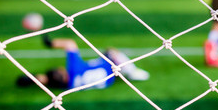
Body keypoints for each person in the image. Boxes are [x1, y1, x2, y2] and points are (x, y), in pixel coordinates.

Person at [17, 37, 149, 89]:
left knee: (95, 61)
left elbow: (48, 78)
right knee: (110, 51)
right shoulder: (74, 68)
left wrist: (31, 79)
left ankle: (127, 72)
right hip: (108, 70)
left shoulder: (68, 86)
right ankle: (133, 72)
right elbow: (70, 44)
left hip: (105, 82)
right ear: (62, 74)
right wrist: (49, 43)